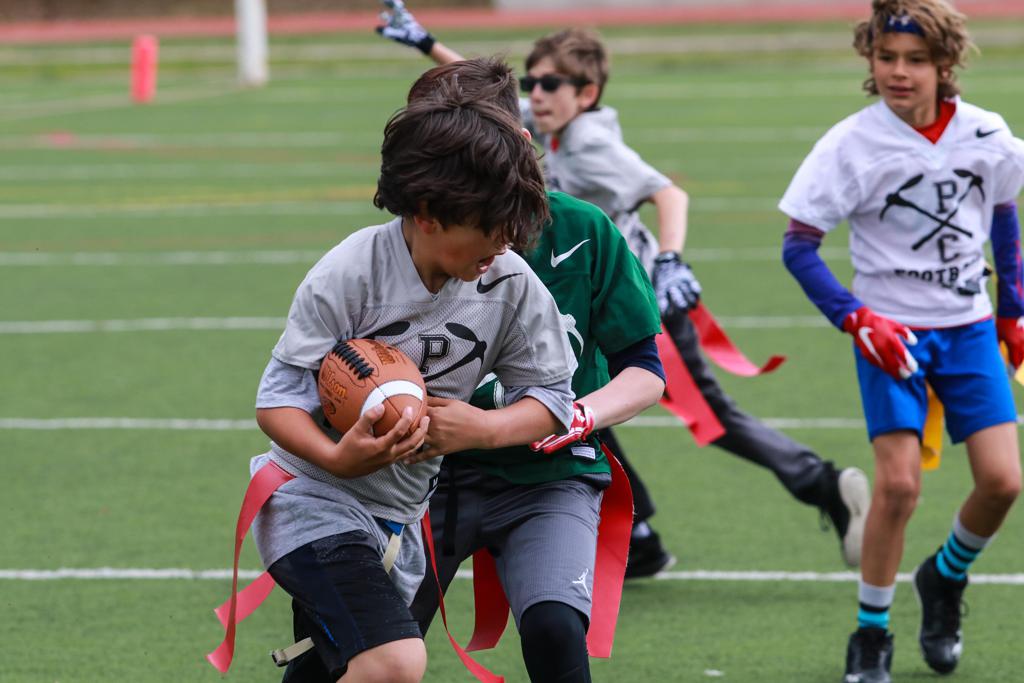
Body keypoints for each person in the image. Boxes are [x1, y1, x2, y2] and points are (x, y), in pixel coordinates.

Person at [377, 1, 872, 573]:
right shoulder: (549, 128)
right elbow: (484, 105)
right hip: (594, 299)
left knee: (706, 415)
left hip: (638, 298)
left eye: (551, 84)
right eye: (532, 83)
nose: (537, 94)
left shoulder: (591, 145)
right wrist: (427, 44)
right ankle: (638, 534)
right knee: (575, 399)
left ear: (586, 94)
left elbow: (669, 193)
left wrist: (672, 260)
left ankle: (822, 484)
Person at [248, 95, 579, 682]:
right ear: (428, 213)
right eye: (491, 225)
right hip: (313, 499)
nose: (505, 242)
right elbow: (277, 401)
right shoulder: (351, 273)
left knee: (332, 668)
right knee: (394, 660)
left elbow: (553, 399)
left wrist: (485, 428)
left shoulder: (509, 282)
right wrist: (337, 457)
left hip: (401, 518)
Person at [778, 1, 1024, 680]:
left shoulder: (985, 132)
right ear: (870, 58)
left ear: (946, 63)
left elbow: (1003, 211)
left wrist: (1012, 311)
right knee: (897, 487)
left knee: (1003, 481)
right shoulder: (851, 144)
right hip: (892, 335)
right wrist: (857, 318)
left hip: (968, 328)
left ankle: (944, 576)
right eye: (886, 57)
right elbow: (798, 246)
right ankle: (872, 632)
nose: (898, 71)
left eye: (916, 60)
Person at [401, 57, 665, 683]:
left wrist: (570, 417)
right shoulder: (406, 240)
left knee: (554, 628)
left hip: (548, 475)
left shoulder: (584, 229)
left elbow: (645, 370)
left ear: (516, 143)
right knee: (359, 645)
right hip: (423, 477)